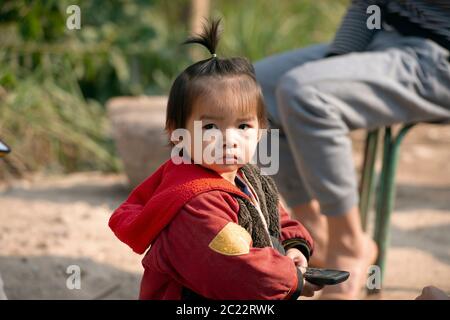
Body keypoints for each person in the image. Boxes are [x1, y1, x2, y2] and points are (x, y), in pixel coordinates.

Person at [109, 19, 322, 300]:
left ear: (260, 132)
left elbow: (277, 220)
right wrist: (292, 279)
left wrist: (295, 248)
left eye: (243, 126)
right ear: (178, 134)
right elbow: (235, 269)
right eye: (210, 127)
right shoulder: (194, 202)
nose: (229, 139)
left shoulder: (249, 177)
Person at [254, 0, 450, 299]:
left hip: (440, 57)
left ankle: (349, 245)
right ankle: (315, 236)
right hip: (386, 39)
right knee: (251, 91)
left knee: (305, 93)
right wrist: (335, 66)